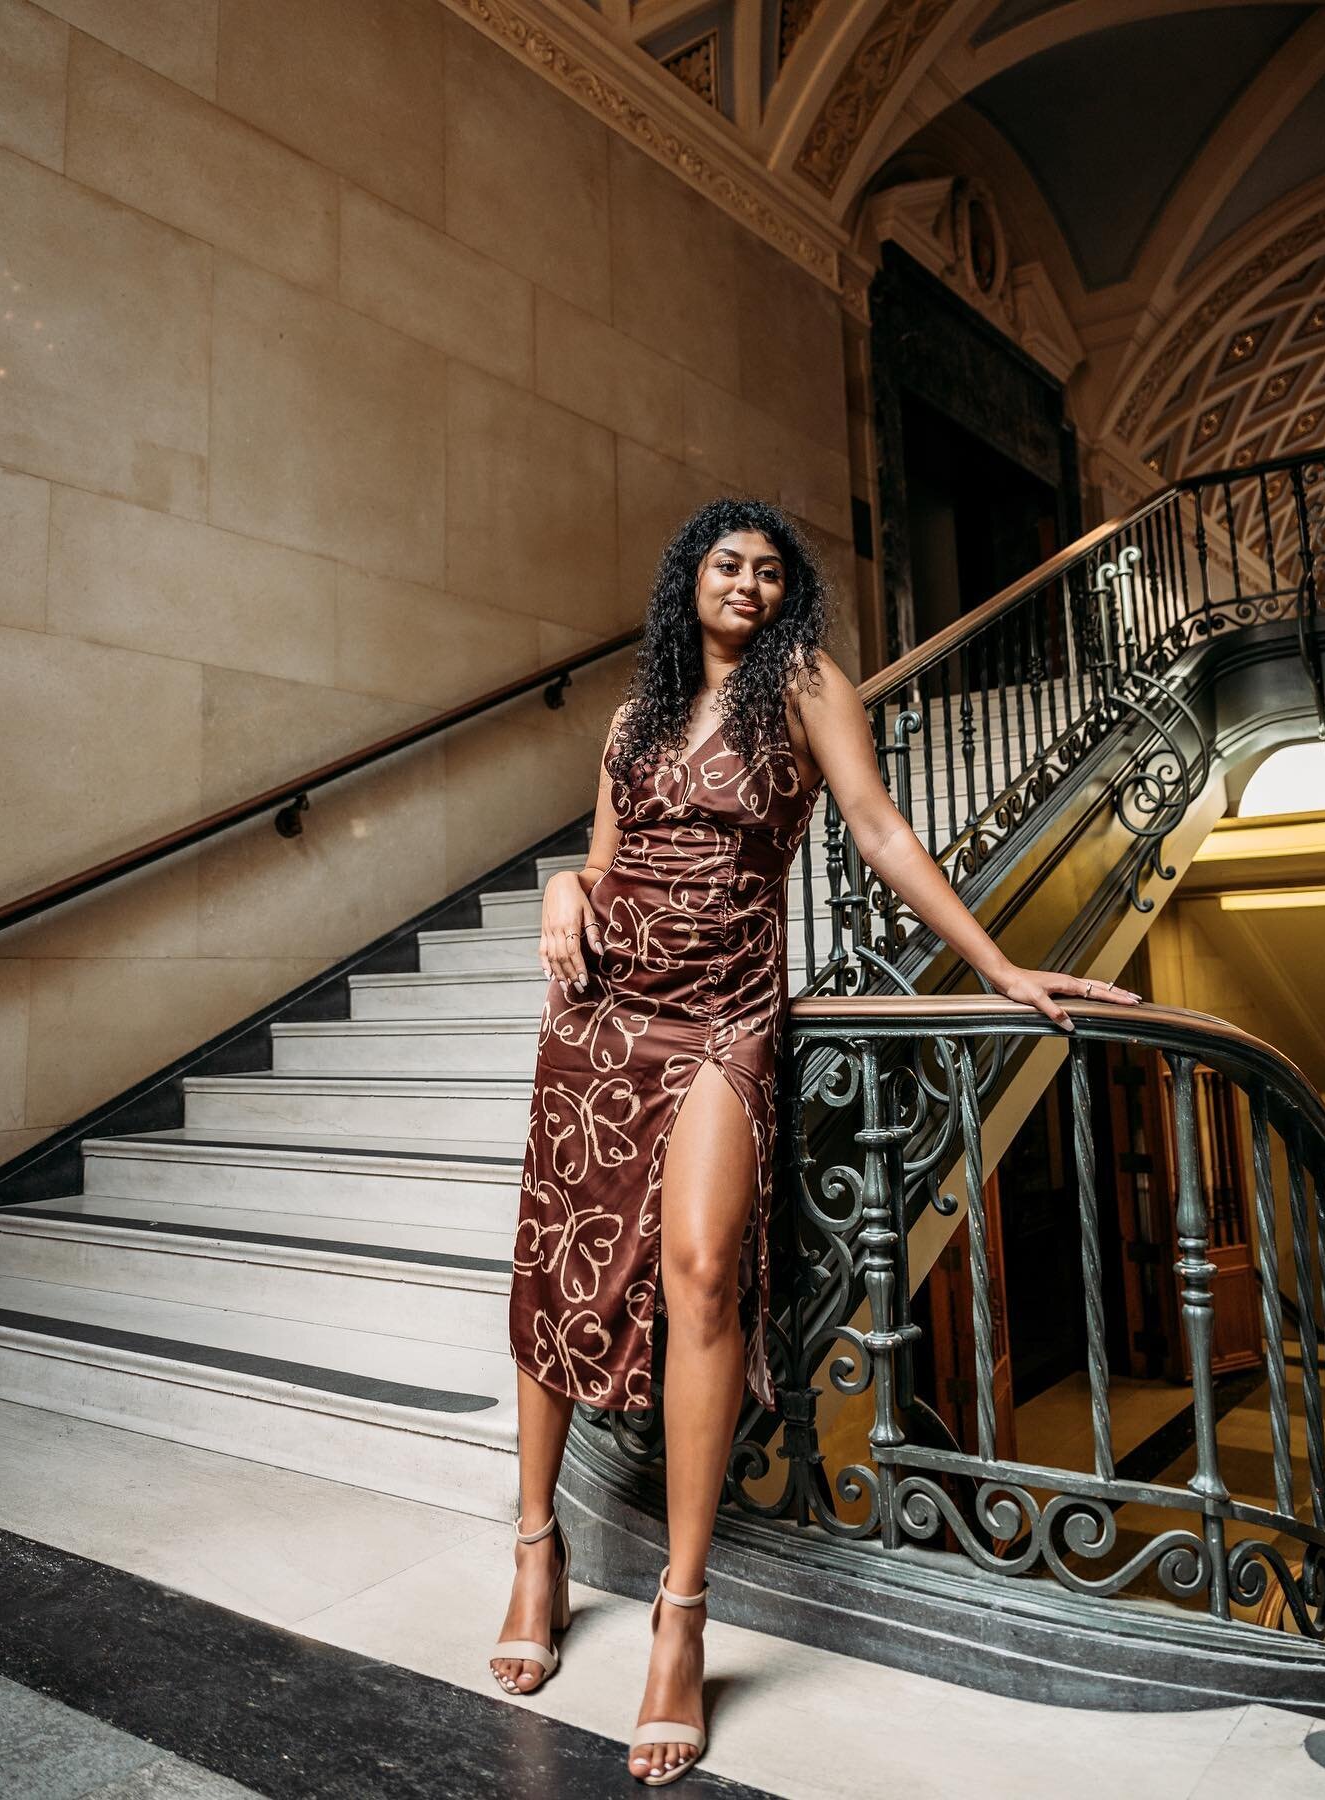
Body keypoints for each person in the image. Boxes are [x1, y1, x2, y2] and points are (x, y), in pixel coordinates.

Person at [488, 497, 1140, 1785]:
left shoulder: (808, 689)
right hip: (603, 1023)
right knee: (559, 1269)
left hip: (727, 1017)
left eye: (771, 572)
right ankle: (533, 1551)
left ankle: (683, 1612)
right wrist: (562, 886)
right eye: (728, 566)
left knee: (707, 1274)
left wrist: (1000, 966)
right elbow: (604, 865)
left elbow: (883, 831)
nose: (750, 585)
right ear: (690, 581)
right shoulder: (631, 719)